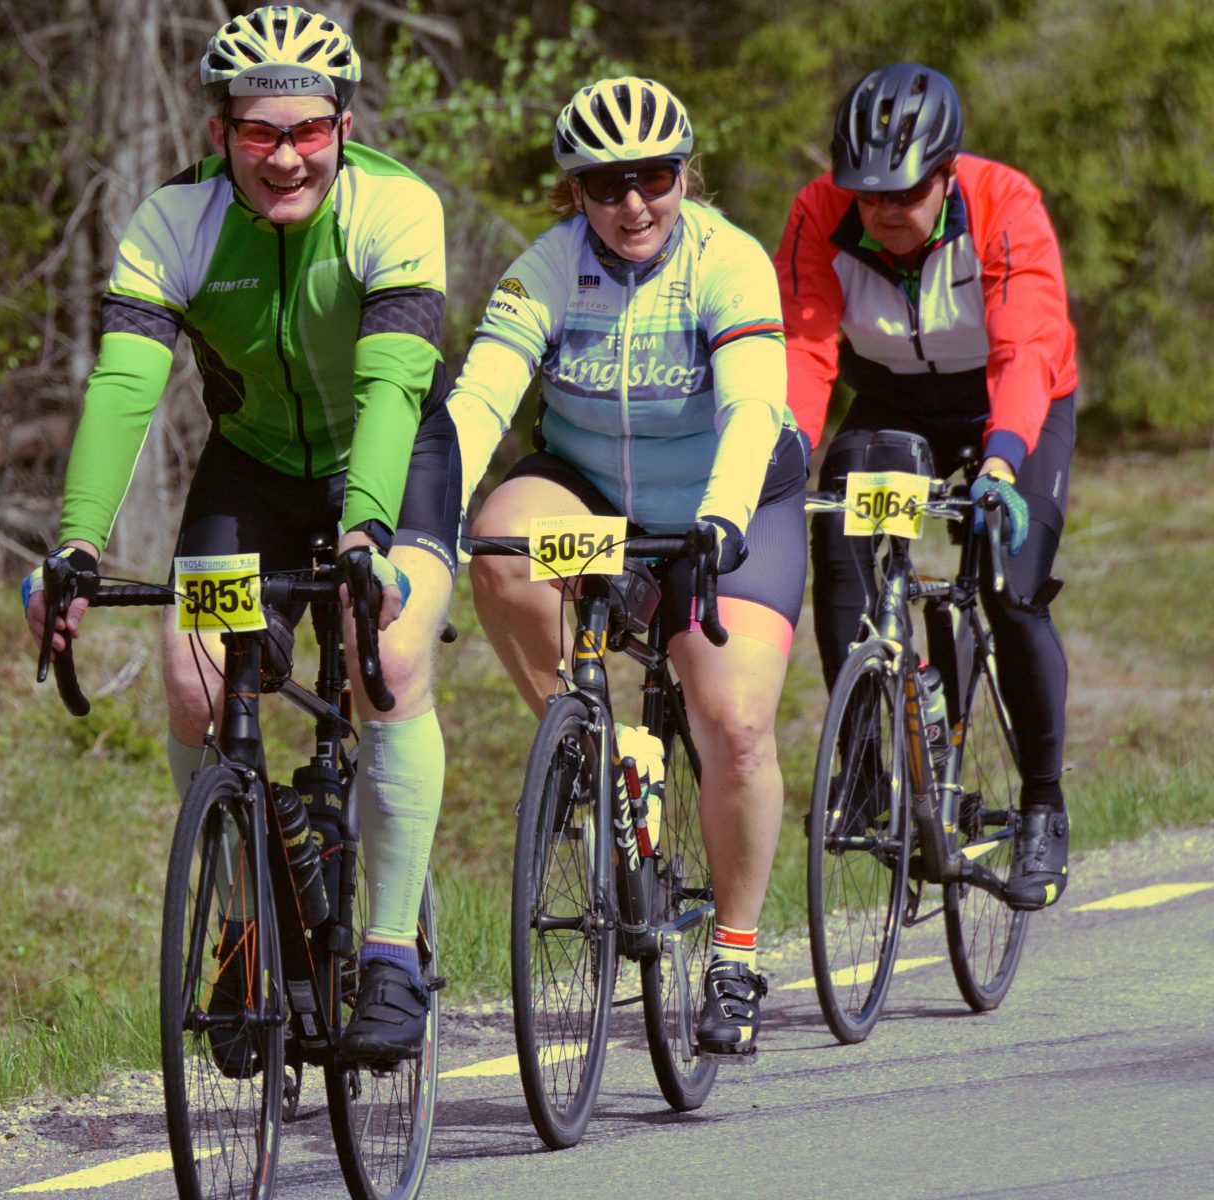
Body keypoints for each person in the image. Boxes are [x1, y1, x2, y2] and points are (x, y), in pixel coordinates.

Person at [22, 4, 461, 1061]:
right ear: (218, 132)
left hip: (393, 465)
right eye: (258, 131)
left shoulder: (395, 207)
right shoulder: (170, 221)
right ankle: (244, 924)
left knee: (383, 658)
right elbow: (126, 385)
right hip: (253, 469)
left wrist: (364, 533)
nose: (283, 155)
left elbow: (393, 386)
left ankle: (393, 953)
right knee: (193, 680)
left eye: (306, 130)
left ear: (342, 128)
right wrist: (77, 544)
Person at [453, 77, 804, 1057]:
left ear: (684, 174)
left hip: (728, 501)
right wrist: (420, 520)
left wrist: (719, 520)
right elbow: (478, 401)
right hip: (589, 491)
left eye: (653, 178)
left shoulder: (725, 262)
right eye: (605, 185)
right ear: (573, 192)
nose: (632, 204)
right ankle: (599, 752)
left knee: (732, 726)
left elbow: (750, 407)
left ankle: (733, 955)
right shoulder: (545, 270)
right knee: (498, 552)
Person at [776, 63, 1078, 910]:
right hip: (896, 400)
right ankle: (870, 763)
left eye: (902, 195)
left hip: (1011, 400)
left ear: (945, 174)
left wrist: (1001, 463)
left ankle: (1044, 806)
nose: (882, 211)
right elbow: (804, 347)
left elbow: (1026, 346)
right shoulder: (818, 215)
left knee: (1011, 588)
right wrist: (790, 451)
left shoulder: (1003, 203)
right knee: (836, 527)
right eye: (866, 194)